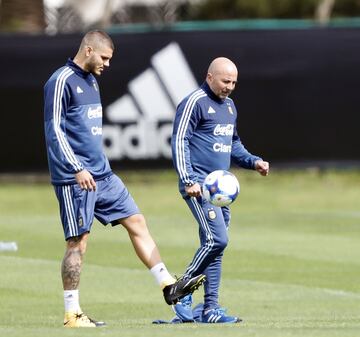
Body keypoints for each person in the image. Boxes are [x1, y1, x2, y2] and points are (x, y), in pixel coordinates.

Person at [43, 30, 205, 328]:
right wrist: (77, 168)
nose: (107, 64)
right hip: (75, 178)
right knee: (78, 244)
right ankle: (71, 314)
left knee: (137, 221)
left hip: (102, 174)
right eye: (104, 58)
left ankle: (167, 284)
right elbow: (54, 131)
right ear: (88, 50)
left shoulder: (92, 81)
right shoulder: (60, 81)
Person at [171, 57, 269, 323]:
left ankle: (210, 309)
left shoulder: (229, 106)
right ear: (210, 76)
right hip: (199, 186)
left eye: (234, 82)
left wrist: (253, 161)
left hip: (220, 191)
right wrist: (189, 179)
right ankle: (181, 291)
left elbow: (233, 144)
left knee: (214, 246)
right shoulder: (194, 102)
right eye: (226, 81)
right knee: (218, 240)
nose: (230, 87)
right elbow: (180, 140)